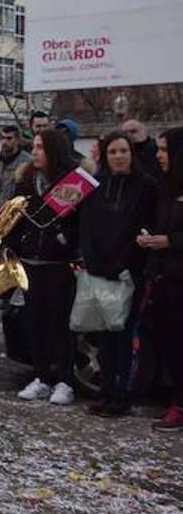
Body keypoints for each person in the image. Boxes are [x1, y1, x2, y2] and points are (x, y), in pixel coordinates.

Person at [79, 131, 158, 417]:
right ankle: (105, 392)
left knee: (123, 336)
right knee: (103, 336)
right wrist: (91, 259)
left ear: (131, 153)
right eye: (112, 152)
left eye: (123, 151)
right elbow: (86, 226)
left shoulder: (146, 186)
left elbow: (144, 228)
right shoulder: (96, 185)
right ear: (105, 155)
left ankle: (121, 395)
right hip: (98, 271)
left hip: (128, 273)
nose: (119, 156)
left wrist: (121, 262)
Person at [10, 128, 81, 406]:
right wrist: (14, 246)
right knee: (35, 323)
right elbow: (16, 219)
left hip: (59, 264)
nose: (35, 152)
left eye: (40, 147)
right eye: (34, 146)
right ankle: (40, 377)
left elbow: (79, 224)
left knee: (61, 324)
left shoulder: (71, 183)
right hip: (31, 261)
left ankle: (64, 380)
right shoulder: (26, 181)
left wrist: (66, 241)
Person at [137, 126, 183, 431]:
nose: (159, 155)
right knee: (170, 345)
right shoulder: (165, 187)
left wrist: (170, 241)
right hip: (165, 279)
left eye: (165, 150)